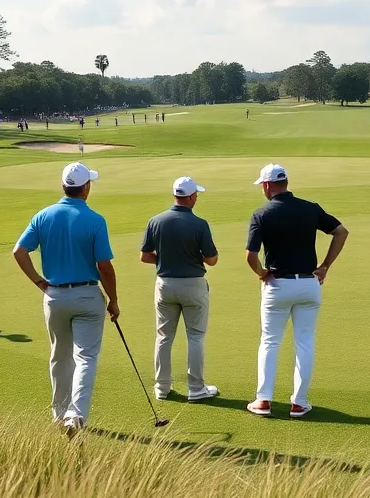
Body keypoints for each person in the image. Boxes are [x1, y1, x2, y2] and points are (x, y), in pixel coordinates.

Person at [11, 163, 119, 438]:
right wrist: (114, 300)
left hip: (55, 296)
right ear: (86, 187)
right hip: (87, 295)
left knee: (59, 356)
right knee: (85, 357)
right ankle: (76, 416)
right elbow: (104, 266)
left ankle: (60, 415)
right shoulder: (95, 220)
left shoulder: (43, 216)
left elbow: (19, 252)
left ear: (63, 186)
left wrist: (39, 282)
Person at [245, 164, 349, 419]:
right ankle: (299, 403)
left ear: (267, 185)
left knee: (270, 341)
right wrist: (324, 267)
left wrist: (261, 273)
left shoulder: (261, 214)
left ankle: (263, 400)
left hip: (277, 285)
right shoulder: (309, 208)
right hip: (307, 284)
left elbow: (251, 256)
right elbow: (341, 232)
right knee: (304, 342)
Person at [140, 176, 219, 402]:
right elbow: (211, 260)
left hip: (165, 285)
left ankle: (162, 388)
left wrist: (166, 259)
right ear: (192, 197)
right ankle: (196, 388)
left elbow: (145, 256)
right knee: (195, 337)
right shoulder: (200, 224)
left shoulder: (156, 220)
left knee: (164, 336)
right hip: (193, 284)